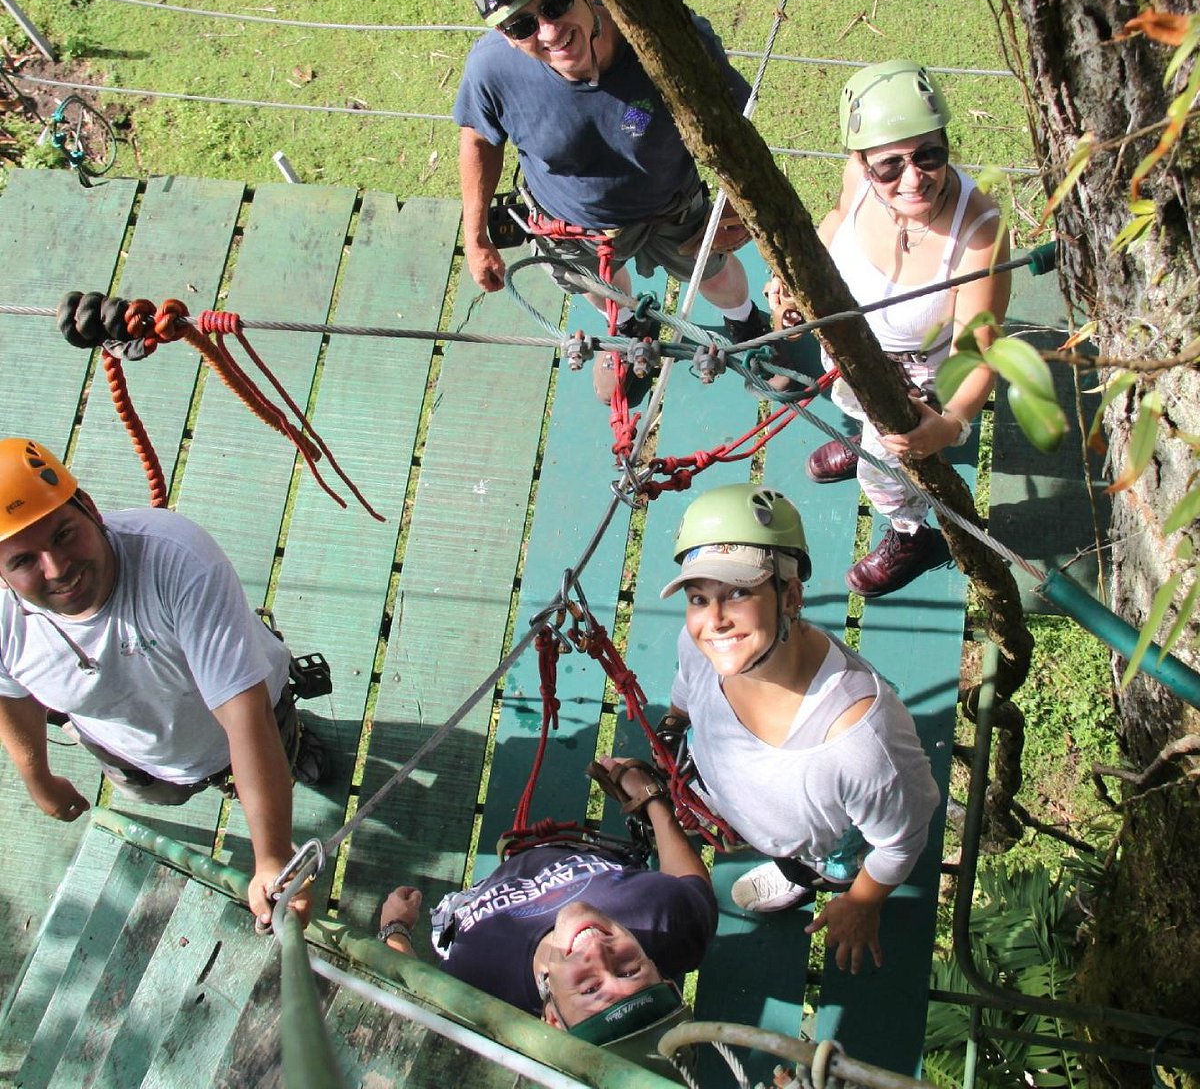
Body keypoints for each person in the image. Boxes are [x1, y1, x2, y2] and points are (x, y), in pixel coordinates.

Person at [455, 0, 788, 405]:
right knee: (600, 286)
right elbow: (479, 139)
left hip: (671, 202)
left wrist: (734, 201)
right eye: (522, 24)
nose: (548, 33)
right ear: (504, 34)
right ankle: (632, 331)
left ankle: (746, 326)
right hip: (569, 223)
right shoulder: (491, 69)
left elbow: (733, 122)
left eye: (556, 2)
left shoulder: (666, 40)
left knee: (714, 268)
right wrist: (476, 235)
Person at [0, 437, 328, 926]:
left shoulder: (177, 559)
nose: (57, 567)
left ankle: (292, 756)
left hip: (255, 720)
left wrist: (273, 856)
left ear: (90, 507)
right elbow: (12, 695)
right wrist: (38, 780)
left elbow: (245, 714)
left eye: (64, 534)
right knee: (166, 791)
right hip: (138, 758)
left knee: (281, 742)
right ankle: (205, 779)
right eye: (22, 561)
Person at [656, 483, 940, 974]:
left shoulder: (859, 742)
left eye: (739, 593)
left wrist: (863, 901)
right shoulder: (702, 647)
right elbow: (687, 681)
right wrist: (676, 721)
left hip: (817, 846)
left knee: (809, 864)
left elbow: (900, 841)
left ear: (790, 595)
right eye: (699, 598)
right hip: (729, 786)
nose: (714, 622)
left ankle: (800, 876)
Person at [770, 58, 1011, 596]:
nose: (914, 177)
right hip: (850, 353)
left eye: (929, 155)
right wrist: (791, 283)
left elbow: (980, 350)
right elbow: (834, 224)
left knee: (884, 471)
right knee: (850, 406)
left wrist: (948, 426)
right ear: (861, 161)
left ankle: (912, 532)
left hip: (914, 382)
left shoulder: (978, 233)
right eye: (890, 165)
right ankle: (861, 437)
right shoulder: (857, 181)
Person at [378, 754, 712, 1077]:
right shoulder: (666, 918)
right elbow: (692, 887)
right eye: (629, 970)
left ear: (552, 1019)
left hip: (476, 899)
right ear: (663, 979)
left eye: (590, 988)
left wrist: (395, 928)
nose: (597, 950)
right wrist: (650, 798)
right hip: (574, 847)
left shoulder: (478, 991)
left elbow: (415, 989)